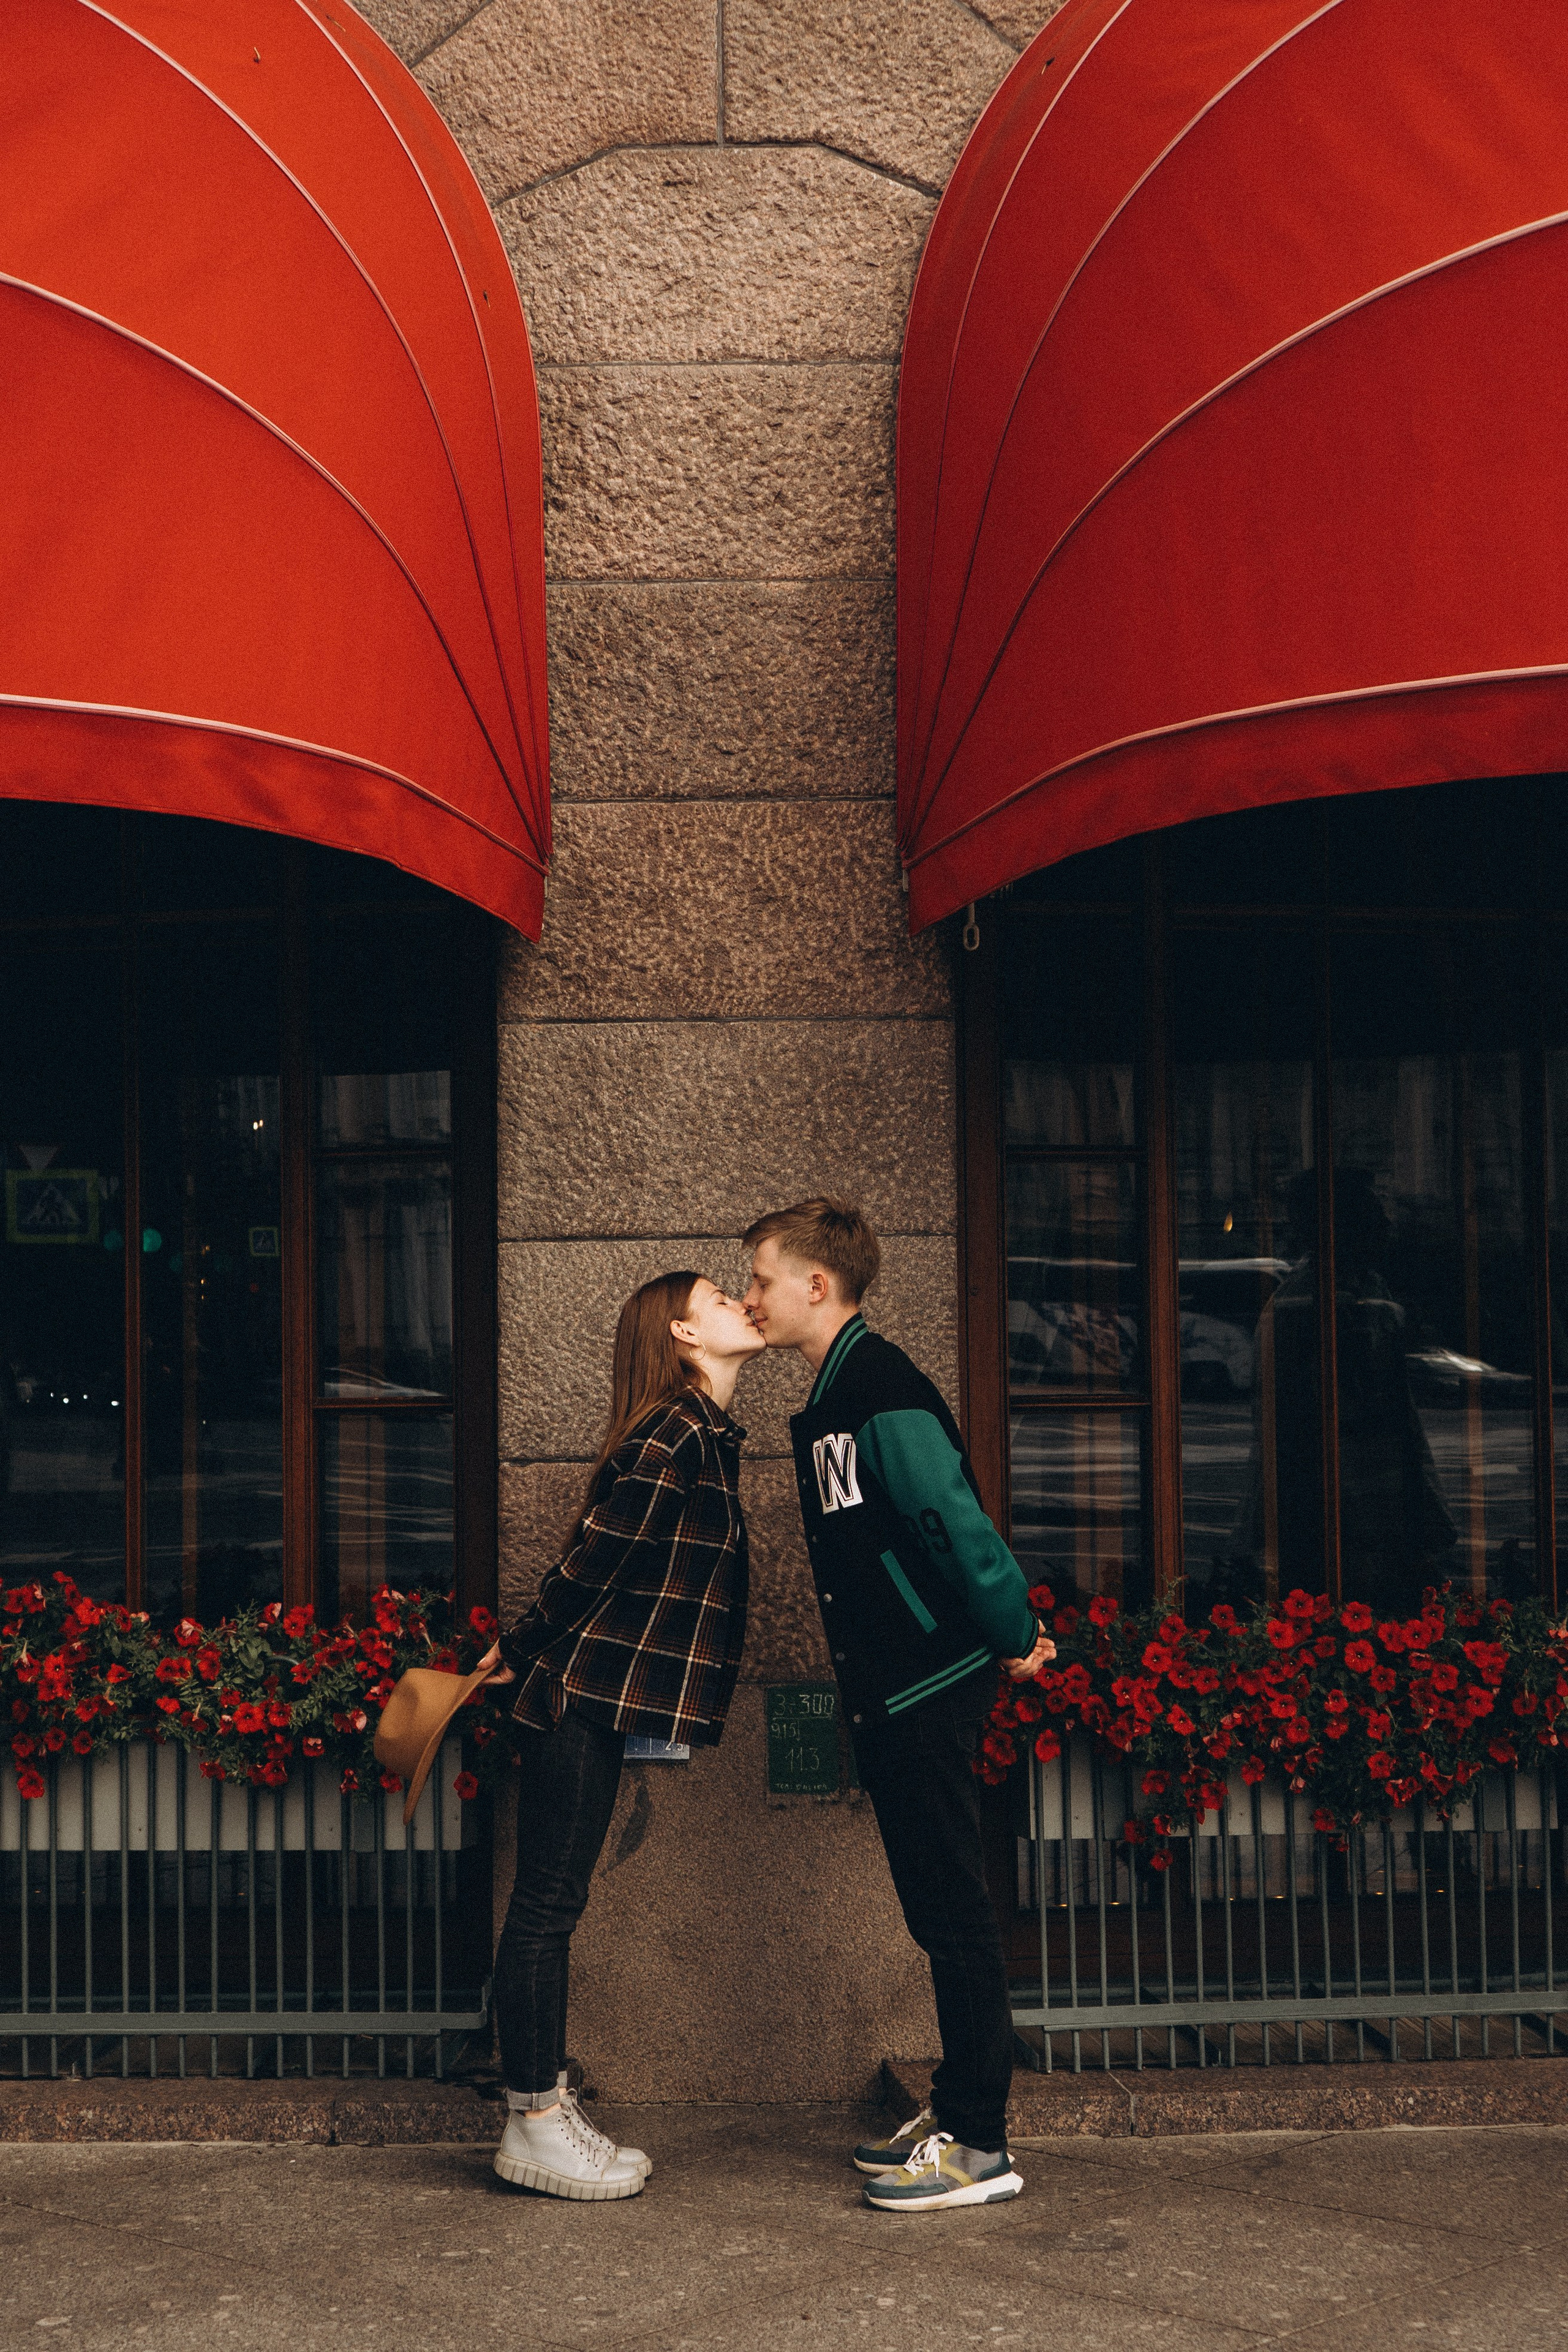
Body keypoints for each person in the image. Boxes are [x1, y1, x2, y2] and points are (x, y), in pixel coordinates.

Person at [741, 1199, 1052, 2214]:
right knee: (934, 1911)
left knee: (955, 1913)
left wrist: (1013, 1633)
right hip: (895, 1692)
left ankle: (980, 2145)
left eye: (761, 1279)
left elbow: (954, 1524)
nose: (751, 1296)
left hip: (925, 1687)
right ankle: (958, 2108)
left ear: (817, 1286)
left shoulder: (879, 1387)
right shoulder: (838, 1392)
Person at [478, 1271, 763, 2201]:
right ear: (682, 1330)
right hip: (577, 1697)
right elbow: (594, 1559)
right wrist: (517, 1649)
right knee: (546, 1907)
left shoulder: (702, 1434)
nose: (739, 1305)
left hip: (599, 1700)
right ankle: (533, 2120)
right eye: (721, 1296)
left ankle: (545, 2112)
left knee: (552, 1904)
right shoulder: (678, 1429)